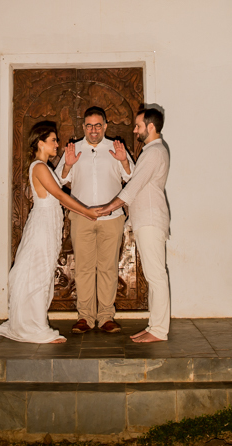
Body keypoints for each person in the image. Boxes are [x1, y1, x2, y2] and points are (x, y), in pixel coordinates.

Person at [0, 120, 101, 344]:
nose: (57, 144)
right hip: (42, 224)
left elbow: (57, 186)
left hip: (47, 223)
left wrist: (68, 165)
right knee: (38, 272)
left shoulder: (43, 167)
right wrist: (87, 212)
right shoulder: (40, 167)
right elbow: (61, 196)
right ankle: (33, 327)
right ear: (40, 142)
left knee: (41, 272)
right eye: (53, 140)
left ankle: (32, 322)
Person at [93, 105, 170, 342]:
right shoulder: (153, 151)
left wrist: (106, 208)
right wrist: (124, 161)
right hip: (146, 219)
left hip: (150, 219)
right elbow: (137, 178)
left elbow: (133, 187)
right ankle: (154, 325)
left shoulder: (154, 152)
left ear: (150, 126)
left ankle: (159, 330)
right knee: (154, 274)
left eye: (138, 126)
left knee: (156, 275)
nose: (135, 131)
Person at [58, 106, 133, 335]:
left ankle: (106, 317)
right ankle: (85, 317)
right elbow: (60, 181)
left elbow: (133, 178)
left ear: (105, 126)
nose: (93, 130)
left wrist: (124, 162)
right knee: (83, 268)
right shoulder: (74, 149)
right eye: (89, 125)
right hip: (81, 218)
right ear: (83, 127)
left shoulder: (116, 148)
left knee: (108, 268)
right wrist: (68, 164)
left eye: (98, 125)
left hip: (112, 218)